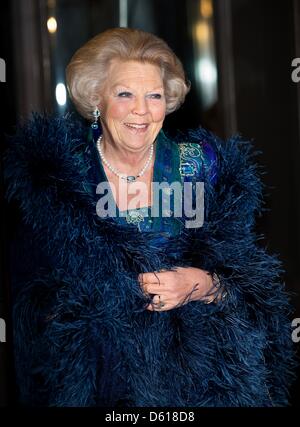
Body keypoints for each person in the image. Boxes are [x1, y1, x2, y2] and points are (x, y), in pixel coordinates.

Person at [4, 27, 296, 407]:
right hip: (96, 381)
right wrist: (106, 295)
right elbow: (31, 302)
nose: (141, 110)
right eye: (125, 94)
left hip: (197, 381)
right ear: (97, 99)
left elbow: (255, 289)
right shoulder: (59, 178)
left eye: (154, 95)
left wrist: (199, 283)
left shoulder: (201, 168)